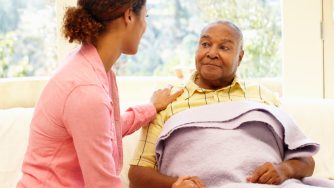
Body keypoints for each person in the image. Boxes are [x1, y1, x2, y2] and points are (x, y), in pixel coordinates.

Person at [128, 21, 315, 188]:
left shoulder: (262, 96)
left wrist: (284, 169)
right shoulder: (168, 101)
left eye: (224, 48)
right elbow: (137, 175)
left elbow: (306, 161)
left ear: (240, 58)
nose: (211, 53)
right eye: (205, 44)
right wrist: (176, 185)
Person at [16, 0, 183, 187]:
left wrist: (151, 108)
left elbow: (104, 130)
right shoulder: (86, 90)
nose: (145, 26)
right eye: (146, 16)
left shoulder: (90, 66)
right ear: (129, 16)